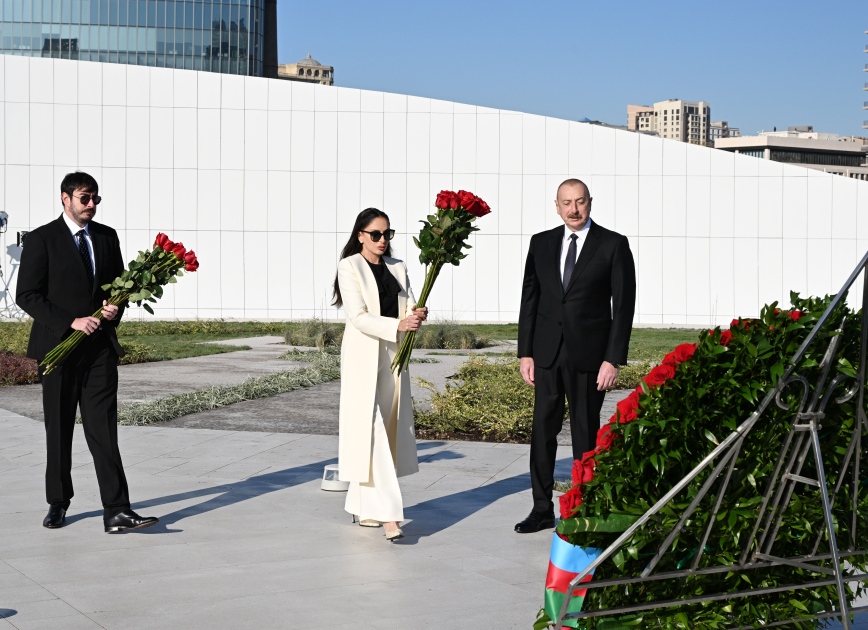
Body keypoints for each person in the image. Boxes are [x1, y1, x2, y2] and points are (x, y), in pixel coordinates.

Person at [16, 171, 159, 533]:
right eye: (84, 198)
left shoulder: (107, 237)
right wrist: (71, 322)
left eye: (95, 198)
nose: (91, 204)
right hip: (58, 351)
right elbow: (27, 295)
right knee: (59, 430)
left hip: (99, 351)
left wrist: (114, 309)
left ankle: (116, 509)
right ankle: (58, 502)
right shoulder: (41, 239)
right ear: (65, 198)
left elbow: (118, 288)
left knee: (103, 430)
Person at [514, 179, 636, 534]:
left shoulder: (613, 244)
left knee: (586, 433)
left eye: (580, 202)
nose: (573, 209)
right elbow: (530, 300)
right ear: (556, 205)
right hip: (546, 353)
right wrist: (526, 352)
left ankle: (584, 506)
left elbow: (623, 306)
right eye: (566, 203)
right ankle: (541, 508)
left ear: (590, 203)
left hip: (590, 357)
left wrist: (612, 359)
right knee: (543, 431)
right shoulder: (541, 243)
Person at [332, 208, 428, 542]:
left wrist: (416, 315)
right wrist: (399, 324)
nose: (383, 240)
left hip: (393, 358)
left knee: (383, 431)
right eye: (375, 234)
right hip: (362, 358)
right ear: (360, 235)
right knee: (370, 429)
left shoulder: (398, 267)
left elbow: (410, 305)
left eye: (387, 234)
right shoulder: (350, 266)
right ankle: (389, 515)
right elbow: (358, 316)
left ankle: (363, 506)